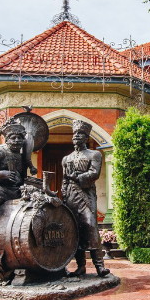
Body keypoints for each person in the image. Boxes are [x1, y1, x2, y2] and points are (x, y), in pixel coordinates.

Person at [62, 119, 110, 277]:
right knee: (74, 230)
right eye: (74, 134)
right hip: (70, 196)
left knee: (90, 226)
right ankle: (80, 266)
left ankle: (99, 266)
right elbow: (64, 179)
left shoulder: (94, 154)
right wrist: (63, 196)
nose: (76, 137)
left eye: (80, 134)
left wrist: (76, 177)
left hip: (86, 196)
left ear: (86, 137)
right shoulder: (66, 158)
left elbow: (94, 174)